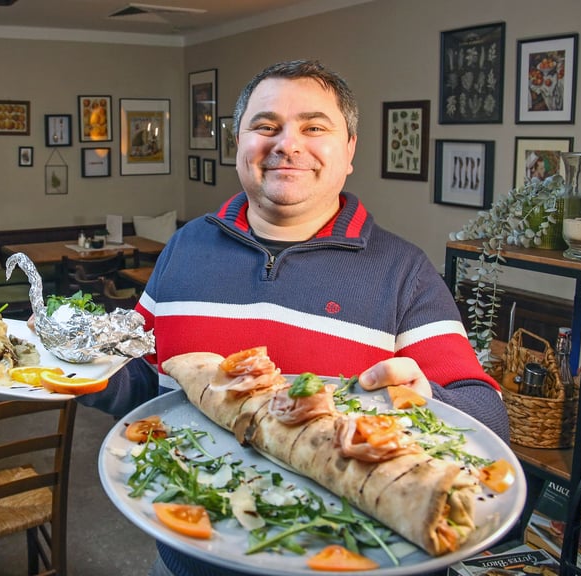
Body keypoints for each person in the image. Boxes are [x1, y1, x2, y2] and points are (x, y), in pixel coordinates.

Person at [79, 59, 509, 576]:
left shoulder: (405, 272)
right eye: (265, 126)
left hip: (350, 562)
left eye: (314, 128)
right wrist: (76, 369)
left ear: (349, 150)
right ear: (237, 144)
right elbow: (148, 384)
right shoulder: (186, 246)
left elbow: (489, 419)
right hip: (187, 560)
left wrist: (427, 401)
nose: (287, 144)